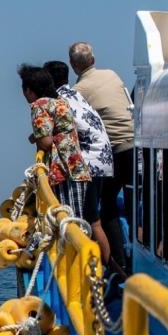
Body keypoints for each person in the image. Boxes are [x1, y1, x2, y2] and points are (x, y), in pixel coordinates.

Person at [18, 64, 111, 263]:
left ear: (29, 90)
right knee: (81, 221)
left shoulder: (39, 106)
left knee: (67, 222)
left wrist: (38, 138)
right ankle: (94, 267)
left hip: (62, 170)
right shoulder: (60, 102)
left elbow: (46, 142)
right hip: (77, 168)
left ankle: (78, 266)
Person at [69, 42, 134, 273]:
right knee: (134, 200)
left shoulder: (78, 91)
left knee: (106, 204)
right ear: (94, 60)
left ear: (73, 65)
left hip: (114, 150)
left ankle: (119, 265)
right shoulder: (112, 74)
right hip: (136, 144)